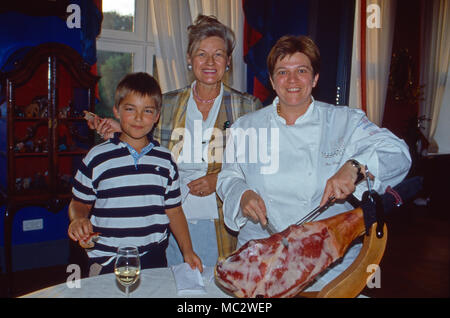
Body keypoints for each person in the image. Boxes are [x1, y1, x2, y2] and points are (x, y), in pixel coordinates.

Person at [216, 35, 412, 291]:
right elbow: (228, 177)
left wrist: (354, 167)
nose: (292, 80)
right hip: (262, 262)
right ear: (273, 81)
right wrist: (242, 194)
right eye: (283, 72)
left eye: (302, 71)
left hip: (330, 265)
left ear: (315, 78)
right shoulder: (246, 127)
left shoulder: (345, 120)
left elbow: (399, 153)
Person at [86, 15, 262, 266]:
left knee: (216, 290)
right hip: (166, 219)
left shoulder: (247, 106)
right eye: (201, 54)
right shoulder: (167, 103)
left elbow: (258, 165)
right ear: (189, 60)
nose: (210, 62)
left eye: (218, 54)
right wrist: (119, 128)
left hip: (221, 222)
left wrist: (219, 179)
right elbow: (148, 145)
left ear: (228, 61)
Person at [68, 72, 202, 276]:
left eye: (147, 111)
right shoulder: (97, 157)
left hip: (153, 257)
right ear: (117, 111)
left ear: (157, 116)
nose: (139, 118)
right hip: (106, 259)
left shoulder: (166, 160)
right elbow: (79, 202)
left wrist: (188, 251)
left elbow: (174, 211)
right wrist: (78, 219)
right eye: (130, 109)